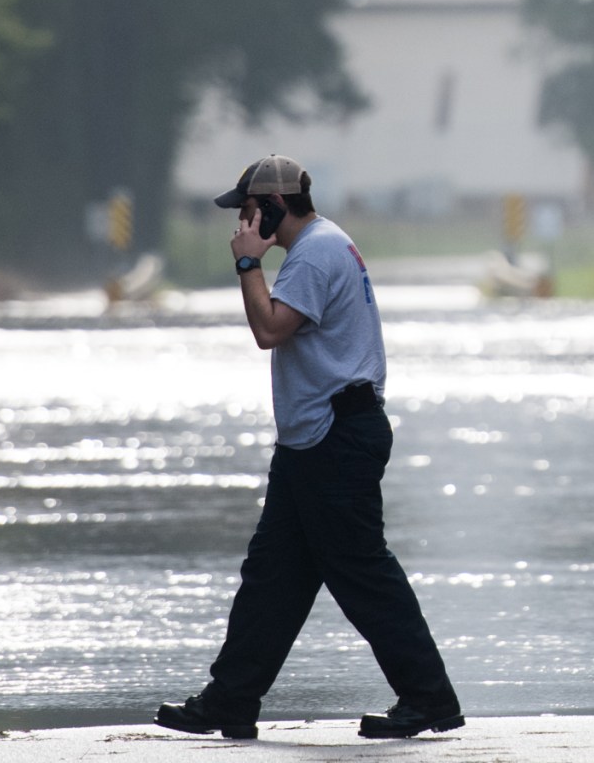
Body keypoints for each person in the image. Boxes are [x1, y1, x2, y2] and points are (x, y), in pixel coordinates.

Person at [155, 154, 463, 740]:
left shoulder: (315, 254)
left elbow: (268, 330)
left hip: (333, 439)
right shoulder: (322, 246)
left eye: (247, 210)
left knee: (361, 573)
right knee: (272, 576)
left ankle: (430, 698)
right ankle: (231, 699)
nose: (240, 222)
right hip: (315, 441)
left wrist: (248, 262)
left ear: (272, 207)